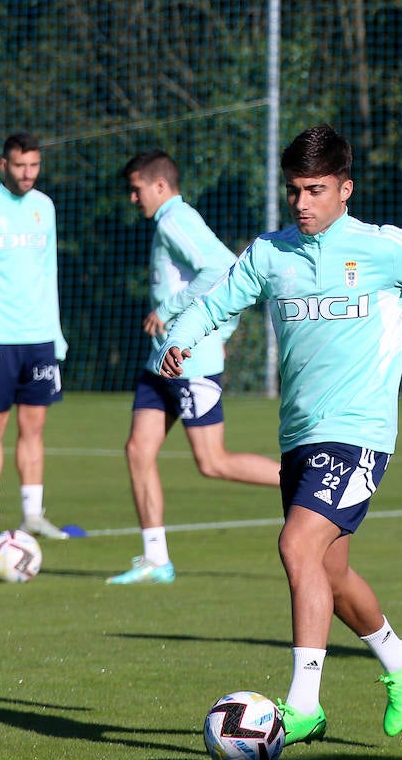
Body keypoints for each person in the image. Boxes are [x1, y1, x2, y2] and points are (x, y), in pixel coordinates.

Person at [155, 124, 402, 742]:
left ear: (345, 189)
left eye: (315, 190)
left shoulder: (380, 246)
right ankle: (398, 657)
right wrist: (179, 336)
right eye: (295, 191)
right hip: (299, 437)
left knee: (296, 546)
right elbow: (217, 302)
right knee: (329, 574)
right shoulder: (270, 253)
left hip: (360, 434)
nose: (302, 203)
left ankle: (303, 702)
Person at [110, 150, 280, 584]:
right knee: (137, 450)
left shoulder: (175, 219)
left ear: (160, 186)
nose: (133, 198)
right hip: (160, 362)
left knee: (212, 462)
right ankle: (155, 560)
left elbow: (222, 268)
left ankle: (305, 483)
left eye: (137, 189)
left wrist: (169, 310)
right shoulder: (167, 222)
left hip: (190, 362)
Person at [0, 133, 68, 541]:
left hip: (38, 338)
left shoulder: (45, 207)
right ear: (3, 165)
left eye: (34, 166)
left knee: (34, 427)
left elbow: (48, 271)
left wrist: (55, 332)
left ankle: (33, 515)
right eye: (20, 166)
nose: (28, 174)